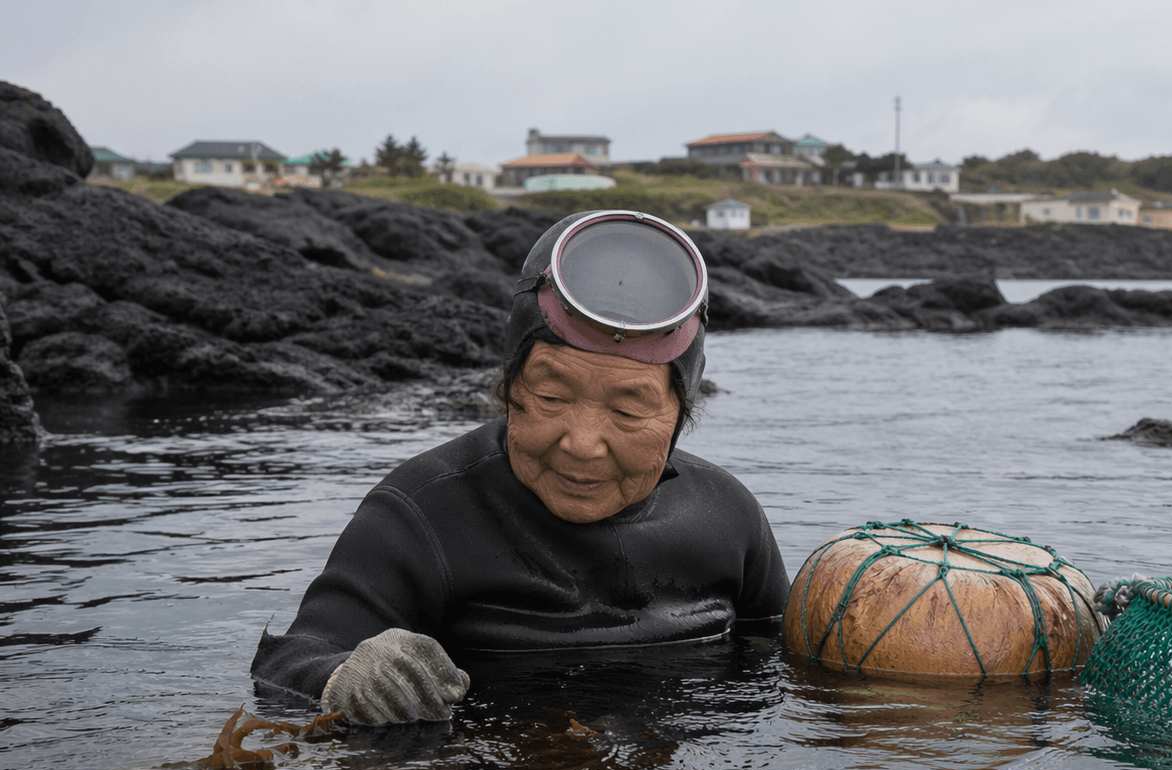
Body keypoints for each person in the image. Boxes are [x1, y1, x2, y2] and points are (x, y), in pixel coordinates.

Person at [250, 210, 790, 725]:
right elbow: (289, 662)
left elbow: (794, 658)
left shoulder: (727, 515)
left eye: (627, 411)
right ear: (509, 387)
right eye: (552, 397)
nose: (582, 445)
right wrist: (343, 679)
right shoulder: (423, 514)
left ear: (681, 413)